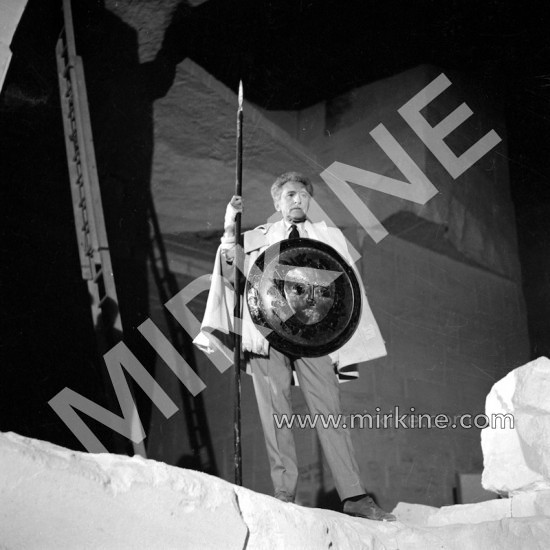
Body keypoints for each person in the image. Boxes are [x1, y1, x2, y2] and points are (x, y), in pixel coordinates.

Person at [194, 172, 395, 521]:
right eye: (289, 195)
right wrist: (229, 228)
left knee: (330, 411)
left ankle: (355, 496)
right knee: (276, 415)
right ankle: (285, 493)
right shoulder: (257, 237)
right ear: (277, 202)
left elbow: (345, 292)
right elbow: (230, 272)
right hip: (267, 335)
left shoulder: (328, 237)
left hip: (313, 339)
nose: (297, 200)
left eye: (303, 195)